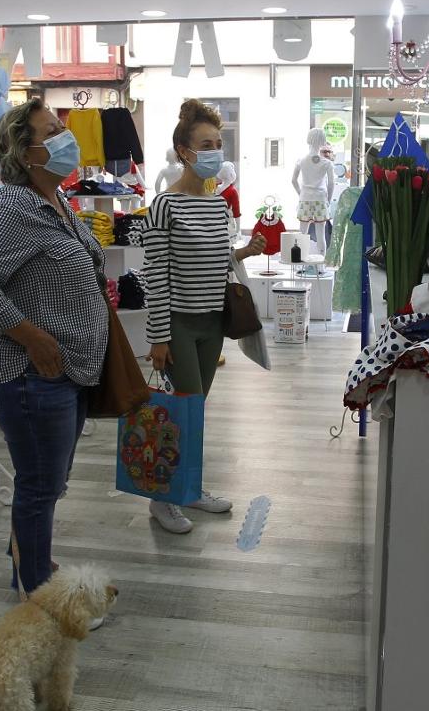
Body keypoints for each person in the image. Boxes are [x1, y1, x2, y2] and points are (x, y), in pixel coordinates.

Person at [0, 98, 109, 600]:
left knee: (48, 480)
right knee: (41, 485)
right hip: (29, 373)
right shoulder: (13, 206)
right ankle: (36, 589)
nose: (66, 137)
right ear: (25, 152)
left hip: (65, 370)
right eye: (52, 131)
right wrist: (32, 335)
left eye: (63, 128)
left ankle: (28, 553)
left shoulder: (57, 204)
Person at [142, 99, 266, 534]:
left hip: (213, 323)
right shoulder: (163, 206)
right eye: (205, 144)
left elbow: (213, 260)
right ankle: (163, 499)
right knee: (183, 412)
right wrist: (157, 338)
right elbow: (155, 275)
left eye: (218, 143)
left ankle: (189, 489)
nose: (215, 151)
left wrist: (243, 253)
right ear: (183, 151)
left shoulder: (218, 206)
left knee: (197, 412)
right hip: (177, 323)